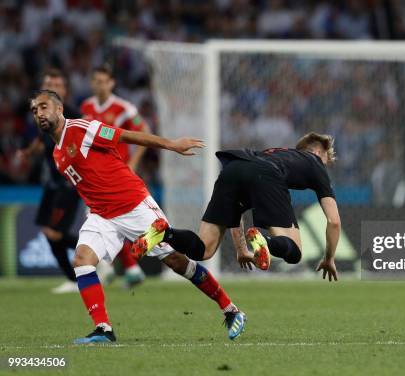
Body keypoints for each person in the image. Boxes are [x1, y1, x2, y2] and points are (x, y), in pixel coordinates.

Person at [29, 89, 247, 344]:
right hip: (103, 215)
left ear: (59, 109)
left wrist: (171, 144)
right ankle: (103, 329)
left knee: (176, 262)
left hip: (134, 205)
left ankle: (231, 310)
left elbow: (126, 135)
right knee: (82, 260)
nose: (39, 113)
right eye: (34, 110)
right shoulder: (57, 155)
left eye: (43, 107)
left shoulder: (82, 129)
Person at [134, 133, 341, 282]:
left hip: (234, 167)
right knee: (294, 252)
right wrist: (329, 258)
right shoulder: (314, 163)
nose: (326, 165)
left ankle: (164, 233)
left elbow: (237, 211)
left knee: (204, 249)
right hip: (266, 174)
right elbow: (334, 221)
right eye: (326, 159)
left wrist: (242, 249)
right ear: (316, 151)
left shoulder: (274, 154)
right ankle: (265, 242)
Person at [80, 64, 150, 287]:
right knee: (106, 221)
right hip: (94, 175)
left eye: (104, 81)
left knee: (103, 220)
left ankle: (117, 268)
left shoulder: (124, 108)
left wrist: (133, 163)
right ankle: (124, 269)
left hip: (117, 174)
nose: (100, 85)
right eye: (96, 81)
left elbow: (144, 133)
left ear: (112, 83)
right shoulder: (87, 105)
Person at [19, 69, 81, 294]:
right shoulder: (42, 116)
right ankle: (74, 279)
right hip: (52, 184)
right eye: (48, 83)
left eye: (57, 83)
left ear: (64, 90)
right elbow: (40, 139)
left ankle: (97, 254)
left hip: (68, 185)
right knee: (48, 232)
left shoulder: (74, 115)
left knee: (55, 233)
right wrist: (29, 152)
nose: (52, 86)